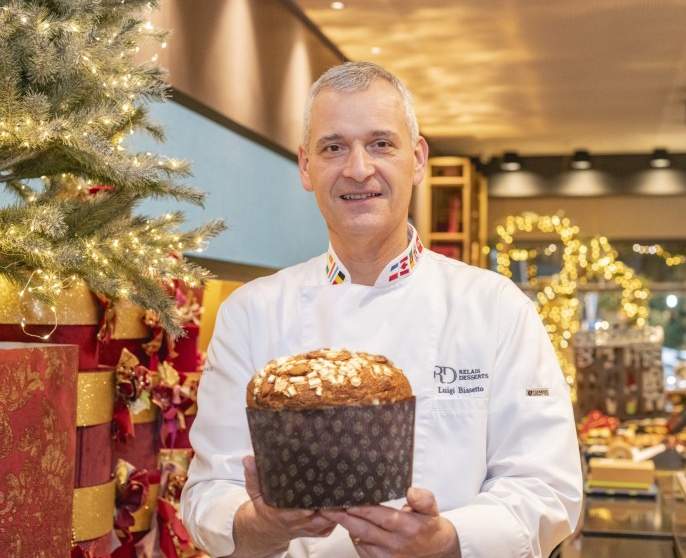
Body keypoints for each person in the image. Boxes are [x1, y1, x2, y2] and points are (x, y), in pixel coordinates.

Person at [181, 61, 583, 557]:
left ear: (417, 159)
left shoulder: (496, 308)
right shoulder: (252, 312)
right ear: (306, 167)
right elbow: (207, 492)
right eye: (334, 147)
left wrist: (448, 541)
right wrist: (262, 525)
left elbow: (547, 487)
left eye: (380, 144)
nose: (357, 168)